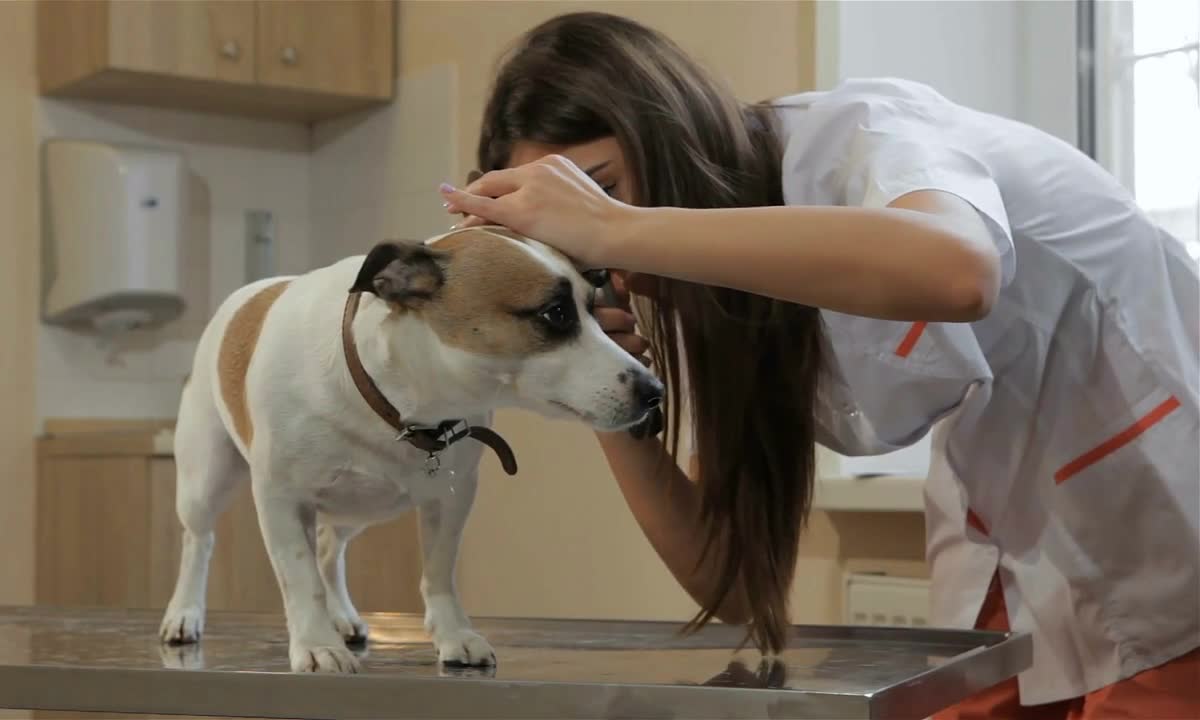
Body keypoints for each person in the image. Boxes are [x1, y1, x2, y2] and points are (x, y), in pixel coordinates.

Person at [439, 11, 1200, 718]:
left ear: (664, 131)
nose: (596, 248)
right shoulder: (719, 298)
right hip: (1016, 521)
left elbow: (958, 272)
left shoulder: (859, 134)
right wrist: (605, 393)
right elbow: (729, 583)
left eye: (600, 190)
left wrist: (615, 229)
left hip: (1160, 492)